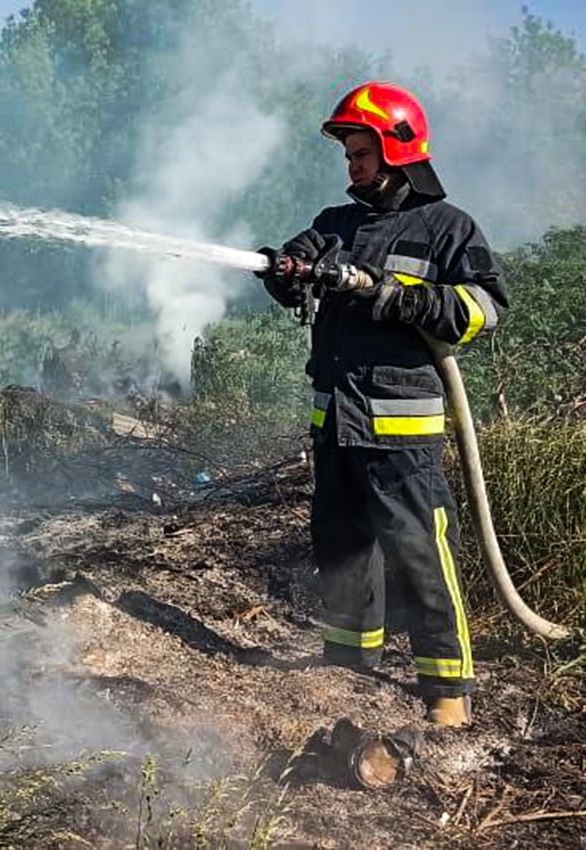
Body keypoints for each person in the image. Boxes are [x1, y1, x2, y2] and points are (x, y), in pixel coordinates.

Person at [260, 82, 508, 727]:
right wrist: (283, 273)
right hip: (334, 421)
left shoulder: (448, 229)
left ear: (399, 149)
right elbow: (301, 269)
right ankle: (347, 664)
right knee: (342, 547)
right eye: (349, 154)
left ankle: (447, 689)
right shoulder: (335, 224)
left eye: (363, 152)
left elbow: (483, 310)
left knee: (419, 553)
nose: (353, 165)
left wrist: (399, 295)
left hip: (401, 431)